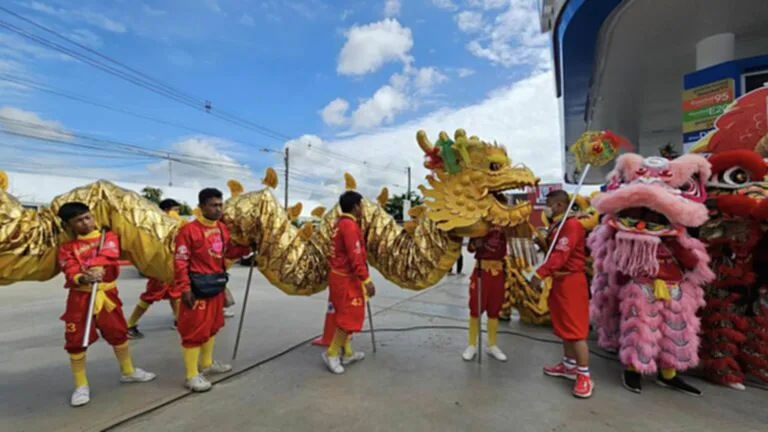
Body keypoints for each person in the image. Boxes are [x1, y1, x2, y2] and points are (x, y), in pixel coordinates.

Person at [57, 202, 156, 407]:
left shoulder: (107, 237)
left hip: (108, 295)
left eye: (87, 217)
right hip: (80, 297)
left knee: (118, 332)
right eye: (79, 220)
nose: (86, 222)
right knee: (76, 340)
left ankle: (128, 371)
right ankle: (81, 384)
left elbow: (109, 255)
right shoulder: (67, 248)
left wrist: (95, 267)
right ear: (70, 225)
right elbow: (69, 269)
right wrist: (83, 278)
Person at [174, 188, 252, 392]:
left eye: (220, 204)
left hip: (216, 284)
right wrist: (185, 288)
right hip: (196, 287)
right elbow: (180, 261)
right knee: (194, 331)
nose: (218, 209)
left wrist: (247, 248)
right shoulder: (188, 231)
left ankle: (206, 364)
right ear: (201, 207)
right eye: (213, 205)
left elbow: (228, 252)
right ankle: (191, 375)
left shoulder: (222, 229)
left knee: (212, 326)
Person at [531, 190, 592, 398]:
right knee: (564, 327)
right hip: (559, 281)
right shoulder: (559, 225)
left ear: (558, 205)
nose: (546, 207)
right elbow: (553, 250)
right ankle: (568, 366)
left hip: (571, 282)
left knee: (576, 330)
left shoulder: (571, 225)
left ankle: (584, 375)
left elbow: (561, 255)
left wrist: (540, 273)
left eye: (549, 204)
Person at [323, 191, 376, 374]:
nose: (363, 209)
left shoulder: (340, 224)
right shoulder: (349, 226)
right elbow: (355, 256)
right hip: (345, 278)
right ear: (355, 207)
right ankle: (331, 353)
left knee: (344, 315)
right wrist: (367, 280)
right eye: (361, 205)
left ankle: (347, 352)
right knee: (349, 318)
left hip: (340, 276)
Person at [127, 198, 183, 339]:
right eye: (175, 210)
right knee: (150, 296)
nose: (177, 213)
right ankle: (129, 324)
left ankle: (178, 320)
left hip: (173, 266)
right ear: (165, 210)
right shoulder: (155, 225)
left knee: (175, 294)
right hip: (160, 267)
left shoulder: (174, 224)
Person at [461, 225, 508, 362]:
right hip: (481, 272)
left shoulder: (503, 225)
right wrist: (476, 244)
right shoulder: (478, 226)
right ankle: (472, 345)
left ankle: (492, 345)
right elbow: (470, 249)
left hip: (498, 272)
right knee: (475, 308)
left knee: (494, 309)